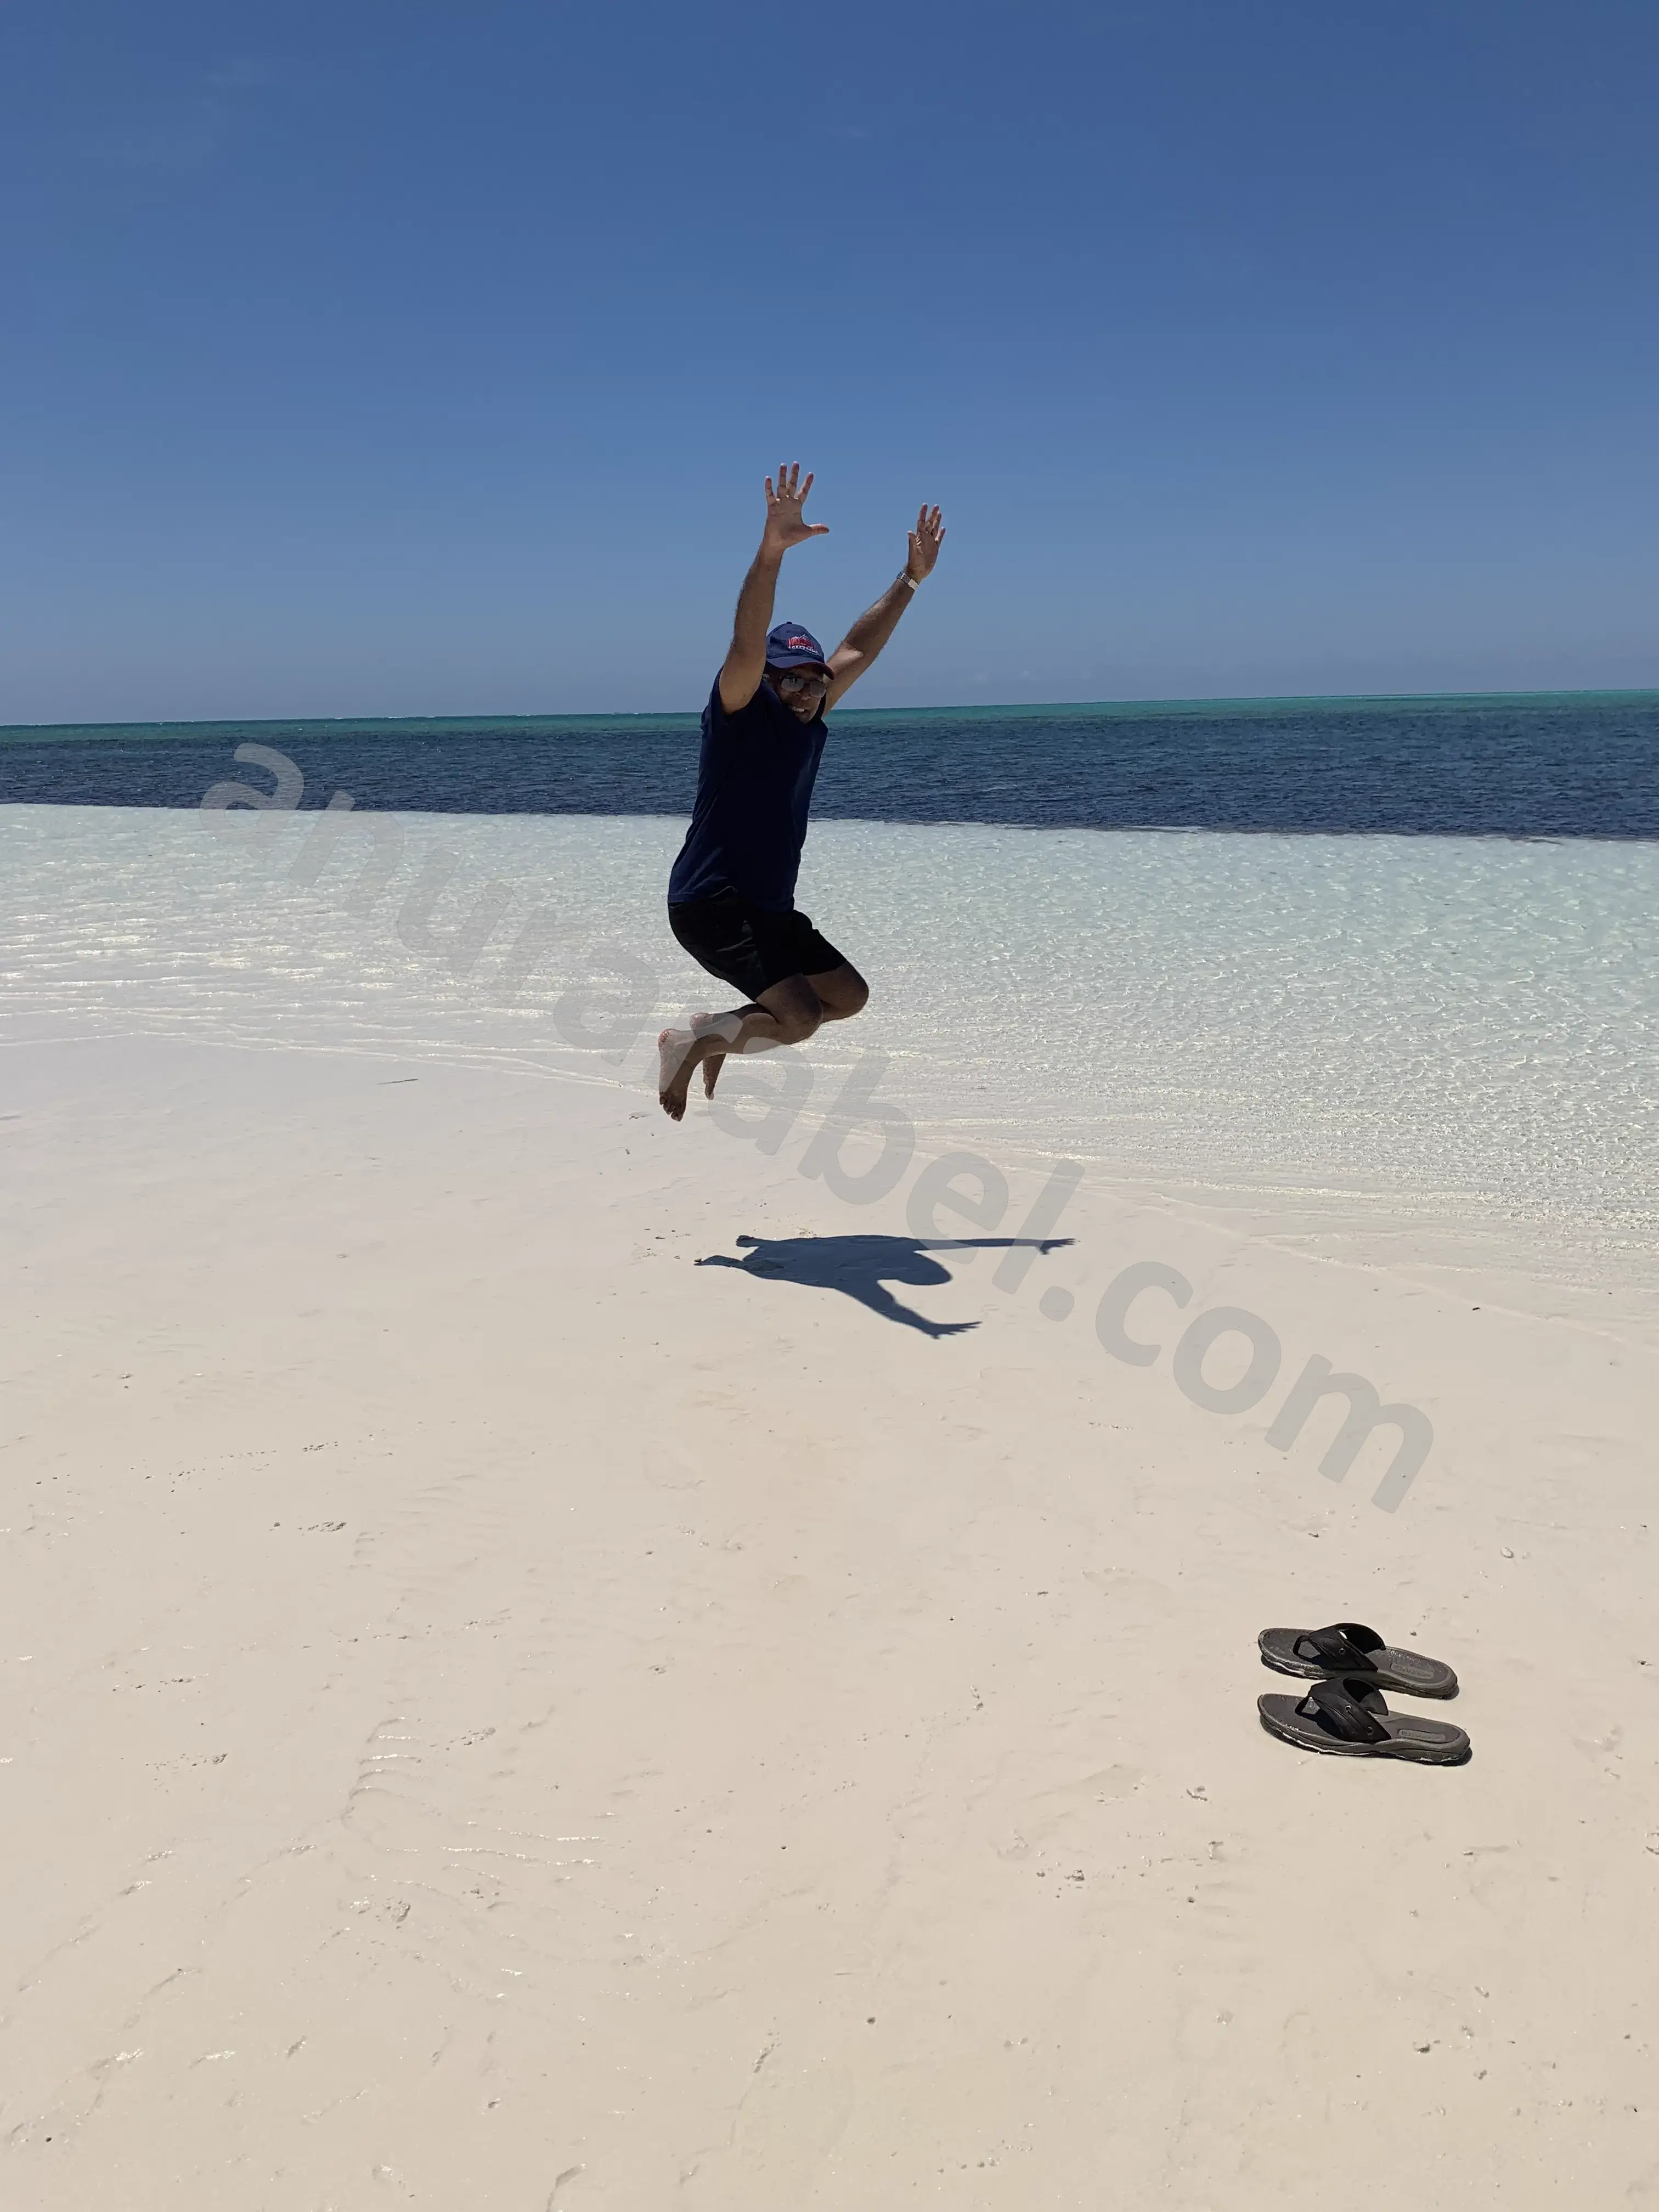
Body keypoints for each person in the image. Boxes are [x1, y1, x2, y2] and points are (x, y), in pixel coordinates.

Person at [658, 464, 945, 1119]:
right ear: (768, 679)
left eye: (814, 681)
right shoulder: (739, 710)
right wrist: (771, 553)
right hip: (712, 904)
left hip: (768, 908)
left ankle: (720, 1028)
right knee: (800, 1018)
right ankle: (692, 1041)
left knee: (847, 997)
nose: (806, 690)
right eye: (790, 679)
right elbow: (745, 641)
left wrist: (909, 581)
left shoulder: (810, 714)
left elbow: (856, 649)